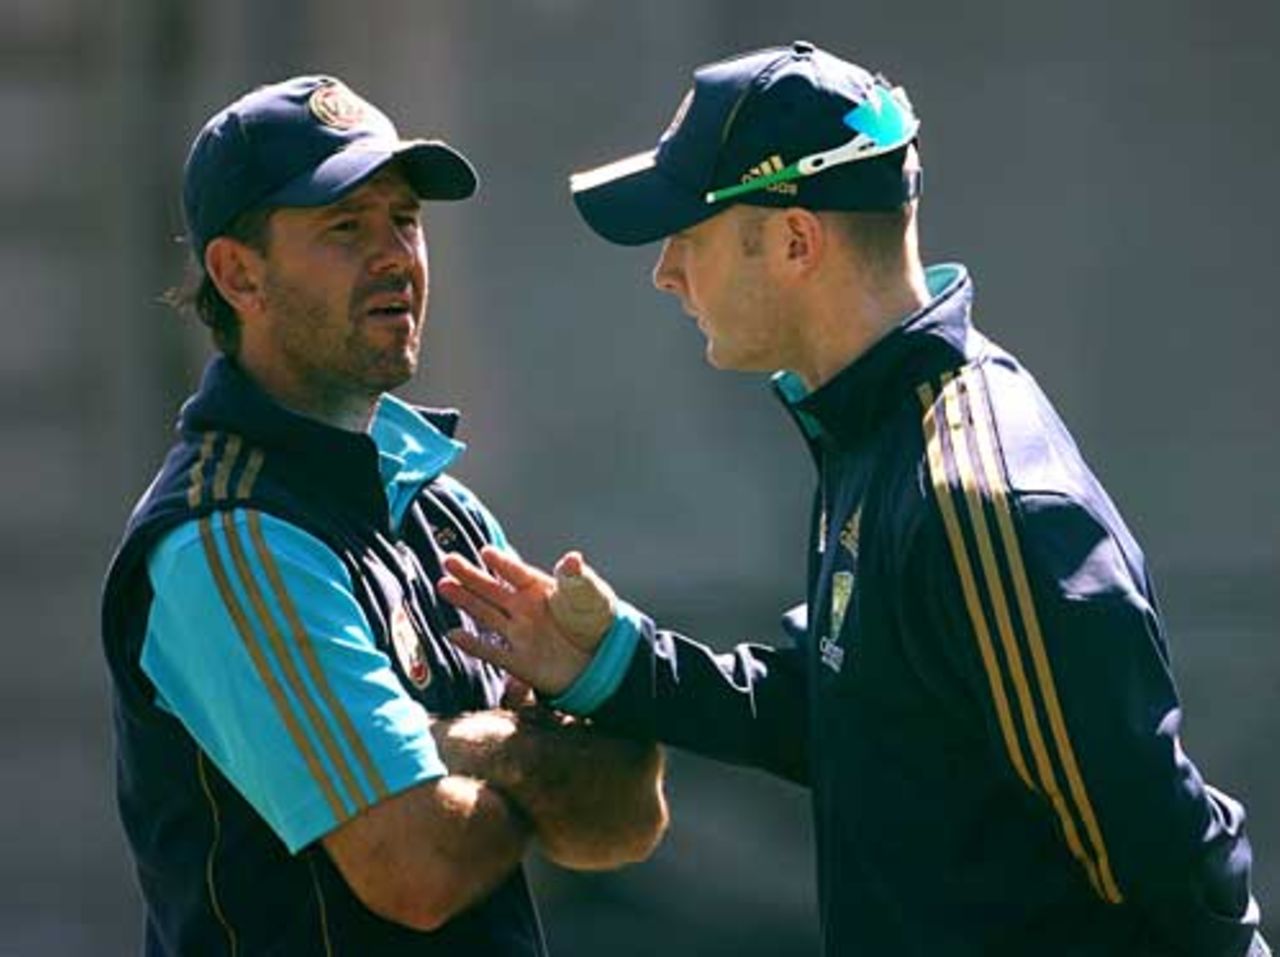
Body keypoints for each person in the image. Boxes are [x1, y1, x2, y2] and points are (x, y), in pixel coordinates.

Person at [437, 41, 1270, 956]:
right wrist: (616, 663)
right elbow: (861, 721)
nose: (665, 271)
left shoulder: (974, 495)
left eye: (690, 233)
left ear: (797, 240)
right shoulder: (878, 431)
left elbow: (1161, 842)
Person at [100, 75, 668, 956]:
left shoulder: (447, 511)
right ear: (237, 273)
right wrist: (527, 753)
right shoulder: (226, 535)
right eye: (344, 226)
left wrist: (452, 751)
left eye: (404, 218)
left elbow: (629, 811)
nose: (397, 255)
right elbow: (417, 869)